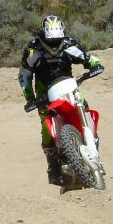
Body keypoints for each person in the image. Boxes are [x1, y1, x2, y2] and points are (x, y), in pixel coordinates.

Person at [17, 15, 103, 185]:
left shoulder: (69, 44)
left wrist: (95, 65)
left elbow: (88, 58)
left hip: (69, 86)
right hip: (44, 92)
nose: (54, 42)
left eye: (57, 38)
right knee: (46, 125)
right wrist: (31, 98)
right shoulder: (33, 51)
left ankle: (93, 145)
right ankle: (53, 167)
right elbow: (24, 75)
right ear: (43, 35)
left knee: (84, 108)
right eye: (51, 39)